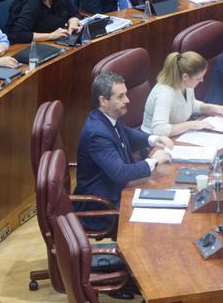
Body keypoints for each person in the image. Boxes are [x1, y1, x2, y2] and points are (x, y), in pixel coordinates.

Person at [75, 72, 174, 208]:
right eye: (121, 96)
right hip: (104, 204)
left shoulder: (106, 117)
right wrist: (154, 160)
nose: (127, 100)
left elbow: (126, 133)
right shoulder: (97, 134)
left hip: (118, 189)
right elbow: (120, 173)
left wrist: (153, 139)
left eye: (125, 94)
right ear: (103, 101)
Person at [141, 52, 223, 136]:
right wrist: (192, 124)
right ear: (185, 76)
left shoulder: (186, 84)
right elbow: (160, 130)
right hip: (153, 143)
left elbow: (189, 104)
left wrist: (213, 108)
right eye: (198, 78)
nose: (202, 80)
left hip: (175, 135)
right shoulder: (165, 93)